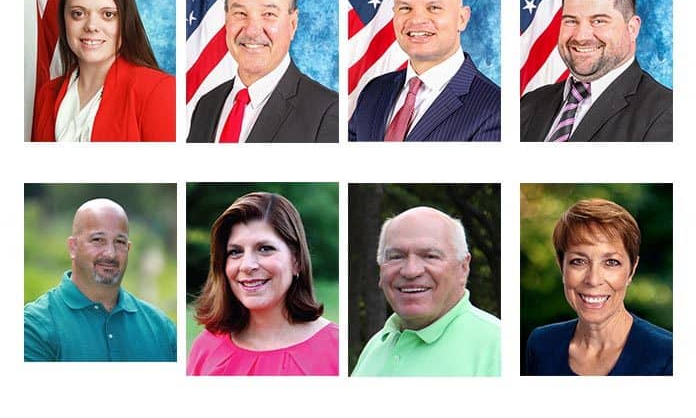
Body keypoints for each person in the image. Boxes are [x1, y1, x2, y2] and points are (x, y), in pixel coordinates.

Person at [187, 0, 338, 143]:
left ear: (292, 24)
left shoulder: (327, 113)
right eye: (240, 14)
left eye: (269, 14)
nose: (252, 30)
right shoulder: (206, 104)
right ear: (227, 20)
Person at [187, 192, 338, 375]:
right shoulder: (206, 347)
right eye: (235, 252)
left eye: (265, 249)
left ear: (296, 261)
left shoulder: (336, 348)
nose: (247, 265)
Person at [520, 0, 672, 142]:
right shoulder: (530, 103)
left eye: (598, 21)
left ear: (632, 28)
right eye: (571, 21)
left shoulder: (667, 113)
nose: (581, 36)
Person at [348, 0, 500, 142]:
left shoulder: (496, 109)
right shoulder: (373, 91)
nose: (417, 19)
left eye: (434, 8)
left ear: (461, 18)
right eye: (405, 8)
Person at [31, 0, 175, 142]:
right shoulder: (47, 95)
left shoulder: (160, 91)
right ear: (64, 20)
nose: (91, 26)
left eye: (108, 14)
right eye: (78, 13)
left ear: (125, 21)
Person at [525, 198, 672, 375]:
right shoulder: (541, 345)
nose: (593, 279)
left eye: (611, 262)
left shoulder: (668, 355)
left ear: (632, 270)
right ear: (561, 265)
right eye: (578, 261)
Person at [352, 206, 500, 376]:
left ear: (463, 268)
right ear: (381, 270)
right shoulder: (376, 346)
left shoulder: (496, 348)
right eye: (396, 256)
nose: (410, 271)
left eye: (430, 256)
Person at [24, 199, 176, 361]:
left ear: (128, 249)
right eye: (97, 240)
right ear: (73, 247)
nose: (110, 253)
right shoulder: (34, 326)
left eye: (119, 242)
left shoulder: (161, 329)